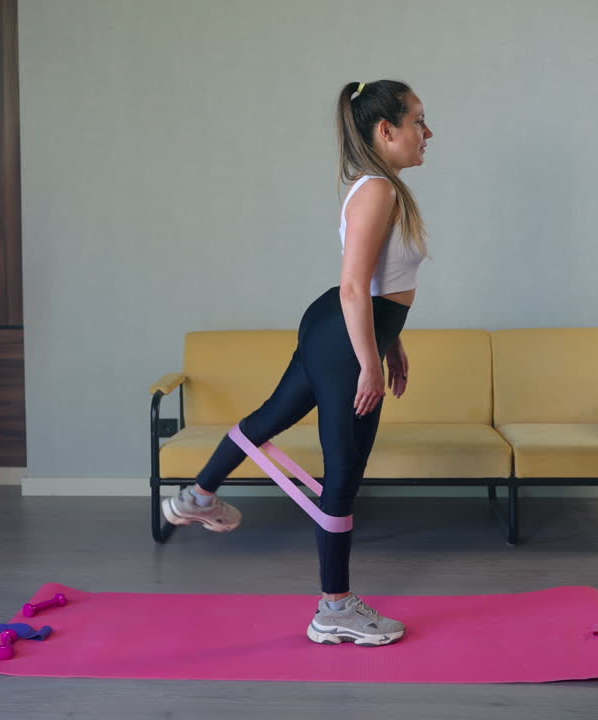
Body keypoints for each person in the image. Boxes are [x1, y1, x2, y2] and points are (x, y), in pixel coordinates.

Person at [162, 80, 431, 646]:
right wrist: (369, 363)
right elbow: (355, 287)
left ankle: (198, 496)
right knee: (344, 473)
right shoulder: (378, 190)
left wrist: (390, 344)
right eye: (417, 122)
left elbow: (383, 287)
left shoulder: (381, 188)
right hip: (343, 335)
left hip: (338, 331)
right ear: (386, 130)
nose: (427, 134)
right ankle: (334, 607)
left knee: (272, 415)